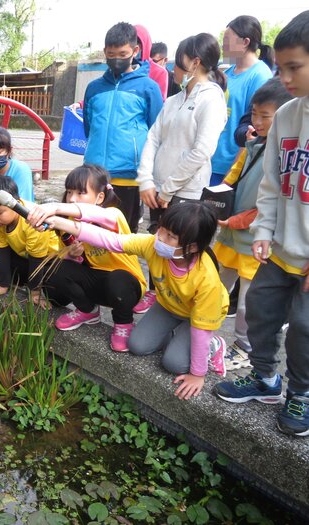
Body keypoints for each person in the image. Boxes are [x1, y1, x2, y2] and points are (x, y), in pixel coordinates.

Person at [214, 11, 309, 438]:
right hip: (280, 249)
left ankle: (301, 394)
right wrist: (265, 232)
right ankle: (266, 380)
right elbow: (272, 185)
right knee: (261, 313)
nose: (285, 77)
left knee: (304, 330)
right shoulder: (287, 117)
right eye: (283, 66)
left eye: (295, 68)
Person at [28, 200, 228, 401]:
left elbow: (201, 329)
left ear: (192, 247)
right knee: (138, 346)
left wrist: (197, 374)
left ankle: (214, 345)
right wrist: (57, 221)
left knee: (174, 364)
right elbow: (110, 240)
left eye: (171, 237)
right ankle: (176, 338)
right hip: (168, 305)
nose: (160, 238)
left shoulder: (206, 280)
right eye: (161, 229)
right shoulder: (153, 245)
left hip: (197, 317)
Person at [135, 33, 228, 315]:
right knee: (159, 242)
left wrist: (168, 189)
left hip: (186, 193)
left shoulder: (211, 99)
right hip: (158, 190)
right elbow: (153, 139)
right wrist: (147, 181)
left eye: (179, 62)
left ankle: (189, 304)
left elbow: (201, 152)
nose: (173, 68)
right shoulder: (174, 100)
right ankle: (156, 292)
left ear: (195, 62)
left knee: (183, 248)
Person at [212, 78, 292, 370]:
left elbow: (270, 205)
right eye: (254, 114)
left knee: (248, 302)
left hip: (255, 241)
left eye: (264, 116)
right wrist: (215, 199)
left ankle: (244, 346)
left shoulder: (286, 154)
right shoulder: (251, 144)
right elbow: (233, 176)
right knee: (217, 284)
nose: (256, 121)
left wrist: (234, 219)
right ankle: (204, 329)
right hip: (231, 236)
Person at [41, 165, 146, 352]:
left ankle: (124, 323)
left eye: (81, 193)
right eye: (69, 192)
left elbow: (95, 214)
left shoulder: (113, 216)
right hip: (97, 283)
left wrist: (55, 208)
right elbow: (79, 263)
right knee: (54, 266)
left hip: (126, 287)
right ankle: (87, 311)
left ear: (100, 197)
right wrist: (72, 256)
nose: (72, 199)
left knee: (117, 278)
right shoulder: (67, 226)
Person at [83, 22, 163, 233]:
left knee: (123, 234)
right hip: (95, 174)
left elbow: (156, 132)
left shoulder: (148, 88)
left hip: (129, 175)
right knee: (91, 232)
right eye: (111, 54)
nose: (116, 59)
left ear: (135, 51)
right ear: (105, 52)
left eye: (122, 53)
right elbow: (89, 127)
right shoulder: (94, 88)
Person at [210, 15, 273, 186]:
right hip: (211, 161)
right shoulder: (227, 74)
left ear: (245, 42)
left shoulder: (260, 75)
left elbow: (252, 127)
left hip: (231, 167)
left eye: (227, 39)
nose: (223, 44)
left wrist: (232, 173)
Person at [0, 176, 59, 308]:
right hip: (25, 257)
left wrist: (35, 293)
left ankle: (33, 286)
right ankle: (18, 282)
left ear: (14, 204)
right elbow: (1, 251)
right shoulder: (0, 221)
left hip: (49, 261)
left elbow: (37, 260)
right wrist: (3, 285)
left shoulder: (32, 219)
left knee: (57, 294)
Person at [135, 25, 168, 100]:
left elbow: (159, 103)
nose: (136, 49)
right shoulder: (122, 68)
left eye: (139, 44)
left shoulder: (160, 72)